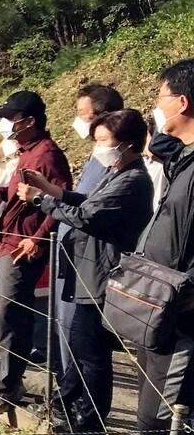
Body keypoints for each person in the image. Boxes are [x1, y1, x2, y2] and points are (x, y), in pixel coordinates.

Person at [17, 109, 153, 435]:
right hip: (92, 272)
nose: (98, 148)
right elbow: (89, 201)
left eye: (105, 141)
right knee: (81, 345)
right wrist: (52, 190)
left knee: (92, 352)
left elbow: (87, 216)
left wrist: (41, 200)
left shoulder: (133, 180)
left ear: (127, 143)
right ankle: (70, 407)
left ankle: (90, 422)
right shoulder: (117, 172)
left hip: (105, 276)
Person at [119, 59, 194, 435]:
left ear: (183, 102)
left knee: (164, 423)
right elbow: (160, 147)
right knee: (159, 422)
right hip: (162, 310)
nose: (156, 105)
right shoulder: (183, 157)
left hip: (184, 314)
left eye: (161, 96)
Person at [0, 90, 73, 417]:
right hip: (10, 240)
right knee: (8, 313)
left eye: (11, 119)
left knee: (12, 314)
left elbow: (60, 201)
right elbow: (20, 188)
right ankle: (5, 376)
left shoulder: (48, 155)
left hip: (23, 246)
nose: (6, 125)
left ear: (29, 121)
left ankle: (6, 386)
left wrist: (38, 238)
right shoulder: (27, 152)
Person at [52, 85, 125, 377]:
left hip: (89, 262)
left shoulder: (118, 164)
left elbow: (89, 211)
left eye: (83, 114)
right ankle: (67, 389)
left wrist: (46, 203)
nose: (79, 121)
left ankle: (78, 397)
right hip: (71, 254)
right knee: (65, 326)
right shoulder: (98, 156)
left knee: (81, 338)